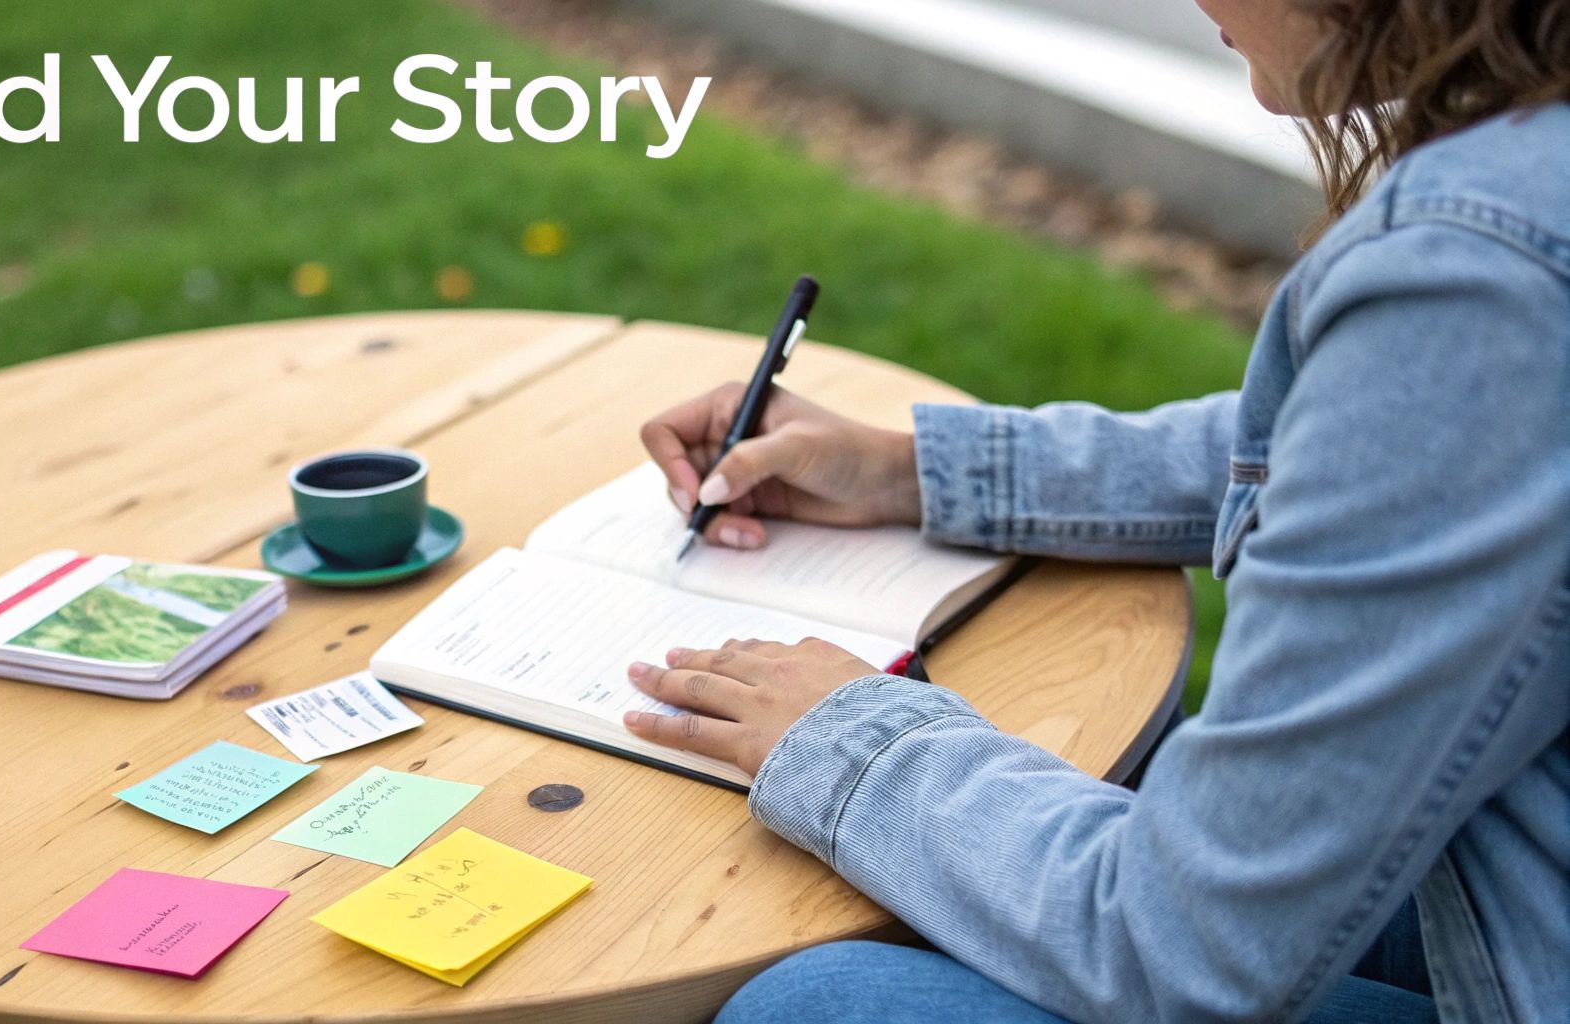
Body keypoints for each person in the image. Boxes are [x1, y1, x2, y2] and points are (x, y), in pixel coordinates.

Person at [620, 1, 1570, 1021]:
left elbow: (1182, 943)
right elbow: (1357, 444)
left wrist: (848, 740)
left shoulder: (1481, 277)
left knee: (817, 1005)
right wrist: (912, 473)